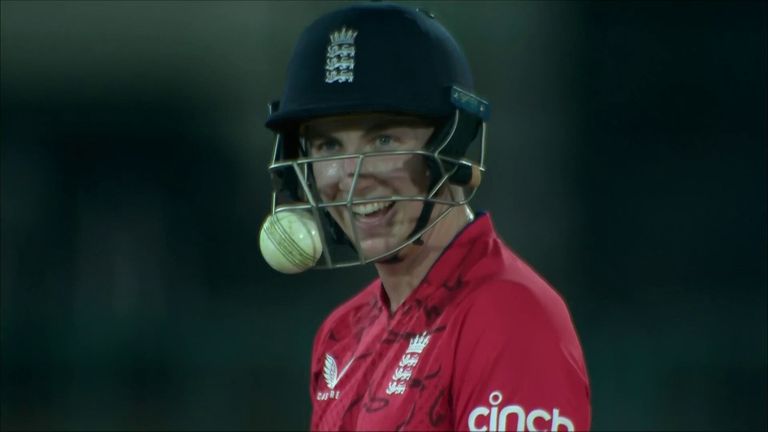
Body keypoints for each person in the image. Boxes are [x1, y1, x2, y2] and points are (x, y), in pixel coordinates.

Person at [262, 2, 591, 430]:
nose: (351, 176)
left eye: (382, 139)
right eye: (327, 147)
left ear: (451, 147)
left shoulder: (507, 315)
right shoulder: (341, 332)